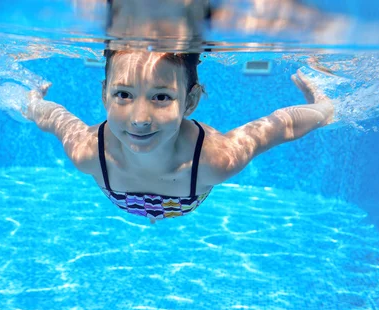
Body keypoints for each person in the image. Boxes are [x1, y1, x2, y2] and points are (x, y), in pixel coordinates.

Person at [24, 49, 334, 224]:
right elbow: (53, 118)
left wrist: (323, 108)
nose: (140, 119)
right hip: (144, 201)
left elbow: (281, 127)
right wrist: (33, 103)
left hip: (186, 199)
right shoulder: (89, 152)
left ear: (190, 101)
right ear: (104, 94)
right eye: (123, 94)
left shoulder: (214, 160)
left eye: (161, 97)